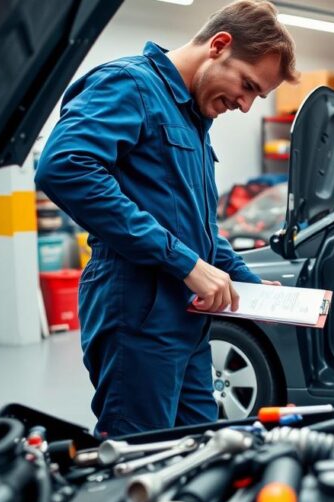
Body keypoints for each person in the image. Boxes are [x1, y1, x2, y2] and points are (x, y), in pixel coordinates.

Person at [35, 1, 299, 437]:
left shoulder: (193, 119)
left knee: (196, 447)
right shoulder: (129, 84)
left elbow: (199, 229)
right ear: (219, 45)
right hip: (137, 311)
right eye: (248, 85)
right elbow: (64, 167)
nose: (247, 105)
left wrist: (245, 280)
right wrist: (187, 265)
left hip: (189, 319)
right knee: (140, 454)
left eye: (258, 96)